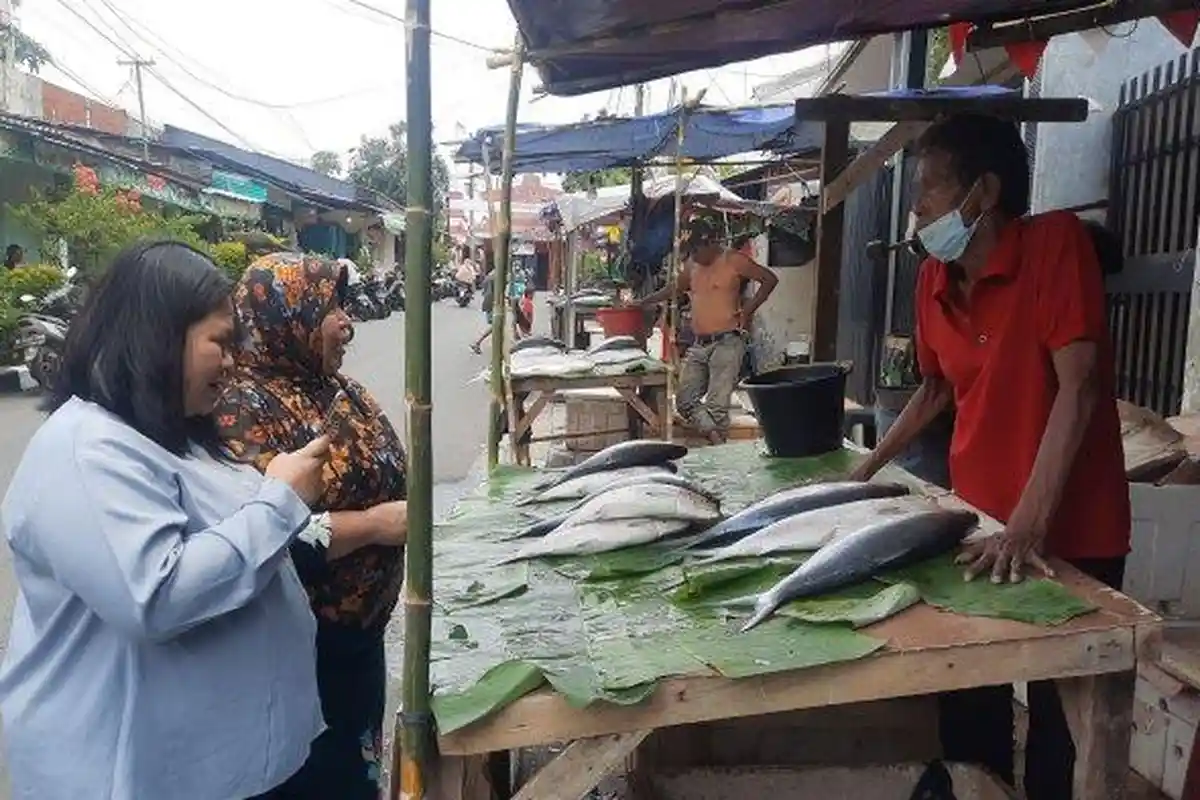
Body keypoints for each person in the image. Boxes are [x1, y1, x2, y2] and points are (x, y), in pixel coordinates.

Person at [850, 113, 1129, 800]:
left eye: (931, 189)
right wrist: (861, 473)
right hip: (977, 526)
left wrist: (1027, 528)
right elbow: (935, 389)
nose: (918, 208)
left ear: (985, 191)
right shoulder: (932, 279)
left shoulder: (1055, 245)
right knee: (970, 704)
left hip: (1073, 529)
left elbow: (1080, 387)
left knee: (1060, 727)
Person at [0, 240, 329, 800]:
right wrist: (280, 503)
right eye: (220, 343)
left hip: (212, 766)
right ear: (157, 337)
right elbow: (155, 596)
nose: (233, 363)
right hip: (123, 771)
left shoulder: (174, 435)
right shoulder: (86, 449)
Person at [215, 251, 409, 800]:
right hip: (302, 656)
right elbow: (262, 537)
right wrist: (372, 526)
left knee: (355, 777)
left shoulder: (337, 388)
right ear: (286, 315)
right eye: (331, 308)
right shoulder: (240, 407)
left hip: (360, 642)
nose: (347, 323)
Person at [640, 220, 778, 444]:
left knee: (717, 408)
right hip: (699, 344)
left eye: (696, 250)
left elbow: (769, 279)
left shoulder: (733, 260)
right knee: (685, 401)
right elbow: (674, 289)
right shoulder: (692, 265)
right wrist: (644, 301)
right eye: (690, 251)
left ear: (711, 243)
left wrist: (749, 310)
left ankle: (716, 448)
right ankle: (714, 437)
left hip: (728, 342)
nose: (694, 256)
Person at [470, 263, 496, 354]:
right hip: (491, 303)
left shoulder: (490, 275)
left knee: (496, 325)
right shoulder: (495, 276)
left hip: (488, 302)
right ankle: (477, 342)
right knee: (495, 325)